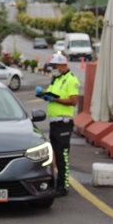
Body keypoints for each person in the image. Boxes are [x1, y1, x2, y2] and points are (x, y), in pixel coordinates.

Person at [37, 53, 80, 197]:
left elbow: (74, 101)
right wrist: (44, 95)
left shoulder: (71, 80)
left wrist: (55, 100)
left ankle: (64, 186)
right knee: (55, 154)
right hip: (54, 122)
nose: (55, 68)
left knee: (63, 155)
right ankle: (57, 183)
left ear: (63, 65)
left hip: (64, 122)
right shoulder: (56, 80)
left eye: (56, 66)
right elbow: (53, 95)